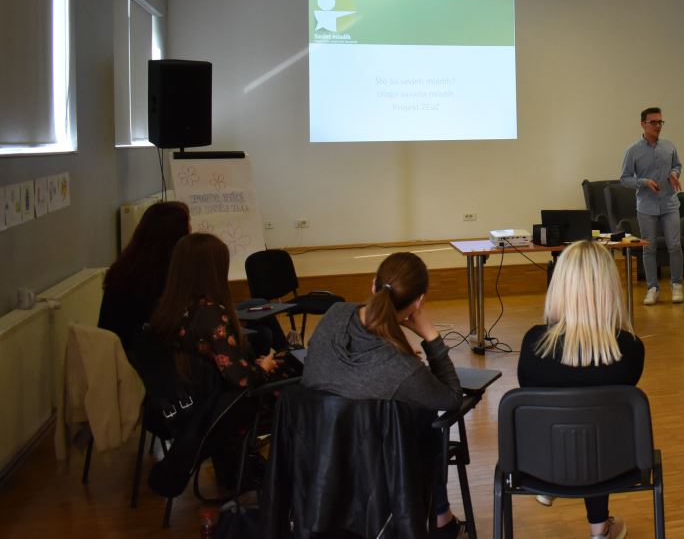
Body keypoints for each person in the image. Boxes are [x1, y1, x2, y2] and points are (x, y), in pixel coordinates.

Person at [301, 251, 466, 537]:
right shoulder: (401, 369)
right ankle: (440, 517)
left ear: (373, 284)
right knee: (425, 415)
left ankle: (439, 515)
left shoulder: (335, 313)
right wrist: (430, 335)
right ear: (419, 302)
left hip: (315, 454)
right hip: (376, 467)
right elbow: (452, 397)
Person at [518, 240, 645, 539]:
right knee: (597, 425)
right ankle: (599, 529)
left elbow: (533, 395)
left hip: (541, 463)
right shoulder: (630, 349)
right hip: (612, 465)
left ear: (560, 284)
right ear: (609, 287)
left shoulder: (533, 343)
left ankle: (554, 488)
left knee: (579, 420)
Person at [148, 233, 282, 485]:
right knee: (296, 393)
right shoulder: (210, 313)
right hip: (220, 408)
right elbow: (240, 378)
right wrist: (263, 367)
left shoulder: (169, 307)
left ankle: (236, 465)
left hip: (191, 402)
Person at [98, 200, 190, 352]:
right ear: (176, 238)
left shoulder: (125, 267)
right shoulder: (163, 278)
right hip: (141, 358)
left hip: (115, 355)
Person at [620, 106, 684, 305]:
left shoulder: (669, 146)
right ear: (643, 124)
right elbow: (624, 179)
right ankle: (652, 288)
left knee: (675, 245)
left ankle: (676, 285)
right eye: (653, 122)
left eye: (660, 122)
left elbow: (677, 165)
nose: (658, 126)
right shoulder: (633, 150)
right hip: (646, 206)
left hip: (669, 203)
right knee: (649, 248)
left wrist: (674, 174)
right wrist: (644, 182)